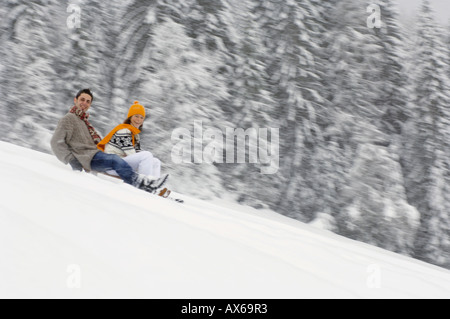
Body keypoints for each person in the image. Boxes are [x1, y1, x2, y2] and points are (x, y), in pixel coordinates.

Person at [50, 88, 168, 194]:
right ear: (75, 100)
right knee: (114, 159)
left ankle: (154, 187)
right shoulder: (69, 118)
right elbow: (56, 142)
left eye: (88, 101)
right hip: (87, 157)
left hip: (96, 155)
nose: (85, 103)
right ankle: (140, 183)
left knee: (154, 161)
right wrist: (71, 160)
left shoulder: (84, 122)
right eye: (82, 99)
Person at [97, 101, 162, 179]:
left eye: (141, 118)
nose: (139, 120)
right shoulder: (124, 131)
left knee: (155, 161)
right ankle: (145, 182)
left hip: (121, 162)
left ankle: (155, 185)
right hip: (112, 166)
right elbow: (132, 154)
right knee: (147, 155)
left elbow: (136, 153)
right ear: (130, 117)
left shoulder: (134, 134)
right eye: (136, 116)